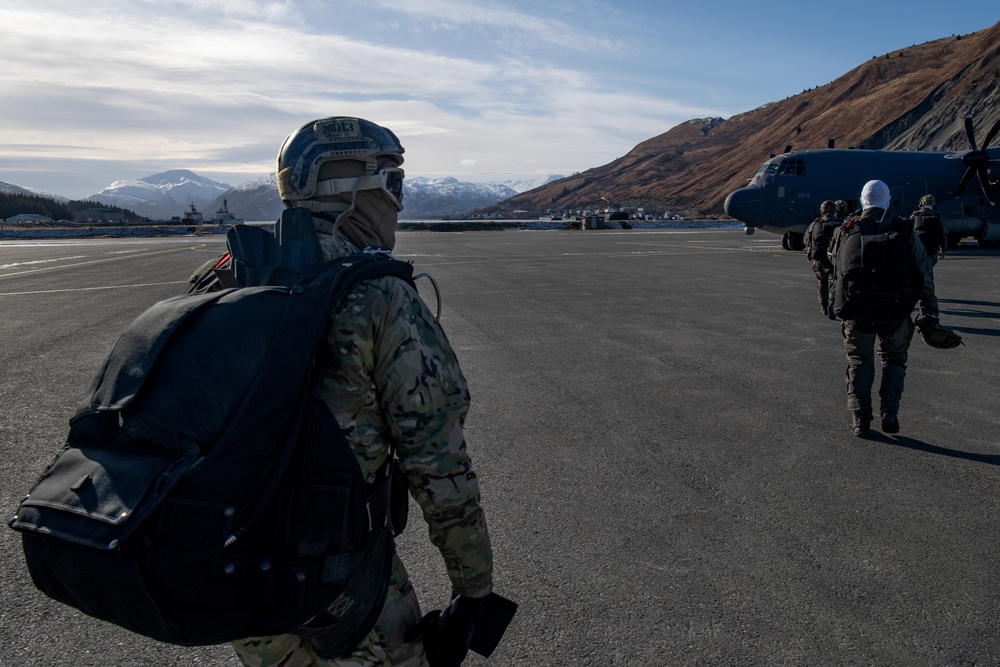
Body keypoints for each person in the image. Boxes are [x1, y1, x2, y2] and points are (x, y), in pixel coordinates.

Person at [231, 116, 494, 666]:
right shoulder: (379, 296)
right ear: (352, 192)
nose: (397, 205)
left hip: (236, 578)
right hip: (340, 581)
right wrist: (474, 592)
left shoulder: (225, 277)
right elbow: (439, 465)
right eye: (392, 187)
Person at [828, 180, 935, 438]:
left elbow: (835, 270)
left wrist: (834, 303)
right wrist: (930, 312)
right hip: (895, 312)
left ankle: (860, 420)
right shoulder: (905, 230)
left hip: (857, 311)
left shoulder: (844, 231)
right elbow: (925, 272)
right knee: (894, 359)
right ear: (888, 200)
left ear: (862, 201)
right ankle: (890, 412)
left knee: (859, 362)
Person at [910, 194, 947, 321]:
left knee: (915, 276)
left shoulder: (915, 215)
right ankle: (929, 313)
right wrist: (943, 249)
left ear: (921, 203)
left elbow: (908, 232)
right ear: (933, 203)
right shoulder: (937, 216)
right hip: (931, 253)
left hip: (916, 253)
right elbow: (943, 234)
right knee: (928, 279)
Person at [803, 200, 841, 315]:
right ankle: (832, 305)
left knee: (821, 283)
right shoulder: (838, 224)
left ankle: (823, 307)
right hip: (832, 259)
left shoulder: (815, 223)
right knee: (833, 283)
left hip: (818, 259)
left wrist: (810, 252)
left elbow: (806, 240)